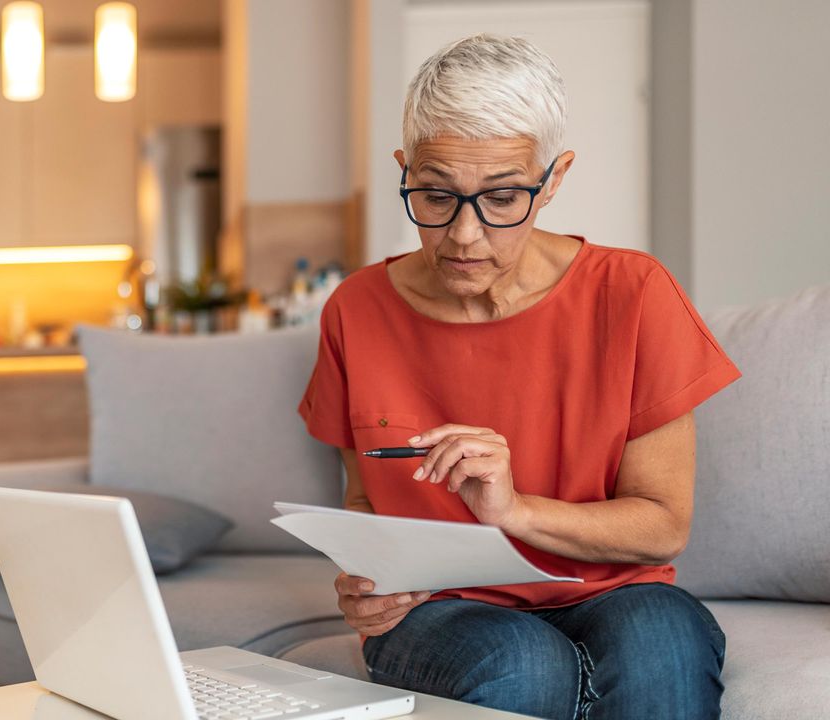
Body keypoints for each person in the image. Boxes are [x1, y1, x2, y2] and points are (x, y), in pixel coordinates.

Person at [297, 34, 739, 720]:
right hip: (442, 610)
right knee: (522, 662)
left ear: (554, 178)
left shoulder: (635, 294)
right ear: (404, 169)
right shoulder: (356, 309)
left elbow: (662, 527)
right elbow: (362, 501)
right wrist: (367, 580)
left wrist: (513, 512)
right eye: (436, 195)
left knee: (662, 641)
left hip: (616, 592)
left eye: (502, 198)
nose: (465, 235)